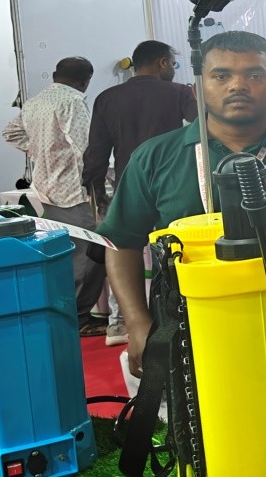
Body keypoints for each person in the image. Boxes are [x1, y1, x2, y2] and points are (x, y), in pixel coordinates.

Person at [98, 31, 266, 378]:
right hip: (186, 329)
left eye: (254, 75)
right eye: (221, 75)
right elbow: (121, 241)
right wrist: (138, 322)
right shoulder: (156, 156)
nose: (237, 85)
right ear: (197, 89)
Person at [83, 39, 196, 346]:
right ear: (162, 62)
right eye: (173, 63)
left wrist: (98, 194)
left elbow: (96, 152)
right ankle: (174, 320)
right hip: (172, 183)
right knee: (168, 256)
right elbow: (205, 130)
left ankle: (119, 323)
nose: (173, 69)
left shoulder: (107, 98)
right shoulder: (178, 92)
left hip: (128, 184)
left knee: (121, 249)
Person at [4, 56, 104, 333]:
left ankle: (64, 311)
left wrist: (39, 150)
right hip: (72, 189)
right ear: (86, 80)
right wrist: (107, 179)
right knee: (90, 254)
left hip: (46, 189)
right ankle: (78, 317)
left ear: (54, 75)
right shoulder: (72, 101)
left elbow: (10, 133)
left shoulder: (35, 102)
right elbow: (86, 148)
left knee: (67, 253)